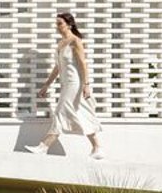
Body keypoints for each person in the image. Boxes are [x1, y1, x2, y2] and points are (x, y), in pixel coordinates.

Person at [29, 12, 105, 159]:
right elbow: (58, 67)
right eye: (56, 24)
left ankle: (44, 146)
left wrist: (86, 84)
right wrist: (46, 85)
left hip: (75, 84)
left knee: (59, 113)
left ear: (69, 25)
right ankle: (97, 148)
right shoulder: (60, 43)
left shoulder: (75, 41)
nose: (57, 27)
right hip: (66, 84)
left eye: (60, 23)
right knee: (82, 114)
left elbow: (83, 63)